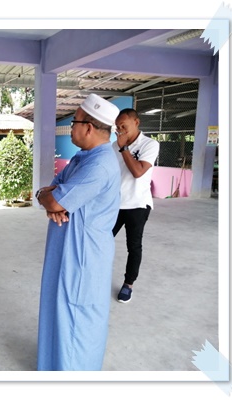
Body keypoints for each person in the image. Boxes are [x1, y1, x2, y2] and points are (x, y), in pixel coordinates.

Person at [36, 93, 121, 371]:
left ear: (89, 128)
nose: (71, 128)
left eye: (74, 123)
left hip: (83, 255)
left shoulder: (99, 165)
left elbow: (54, 199)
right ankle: (53, 365)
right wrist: (48, 198)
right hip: (66, 246)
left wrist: (53, 200)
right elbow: (50, 192)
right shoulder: (81, 158)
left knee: (77, 315)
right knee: (58, 308)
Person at [112, 108, 160, 303]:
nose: (120, 130)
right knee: (101, 240)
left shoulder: (150, 144)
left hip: (138, 204)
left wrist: (124, 149)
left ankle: (128, 284)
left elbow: (138, 172)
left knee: (133, 246)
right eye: (118, 127)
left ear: (136, 122)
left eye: (124, 126)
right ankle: (95, 275)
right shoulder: (115, 146)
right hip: (115, 204)